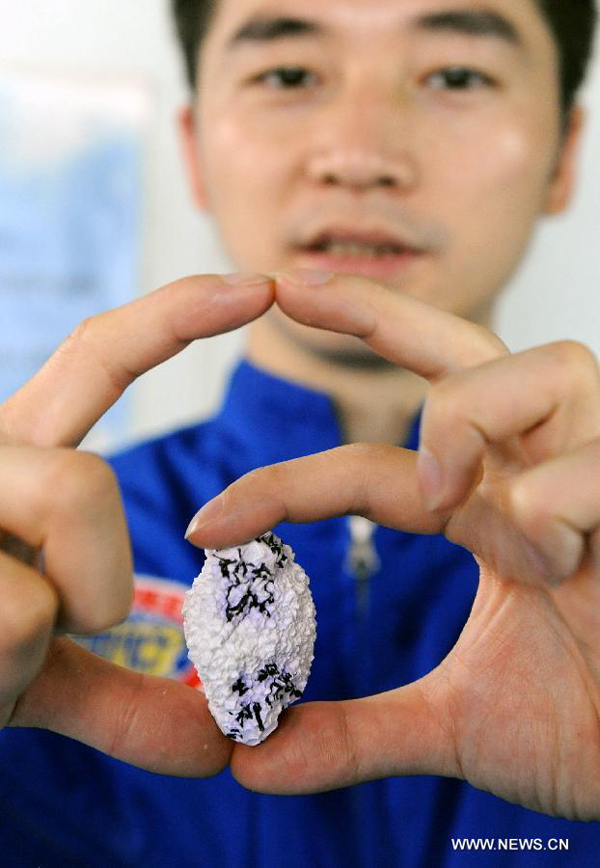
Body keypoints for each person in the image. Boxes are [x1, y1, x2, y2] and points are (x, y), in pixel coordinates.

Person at [0, 0, 599, 864]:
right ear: (195, 148)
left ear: (562, 157)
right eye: (288, 75)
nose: (359, 156)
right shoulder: (32, 571)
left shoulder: (584, 570)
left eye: (456, 75)